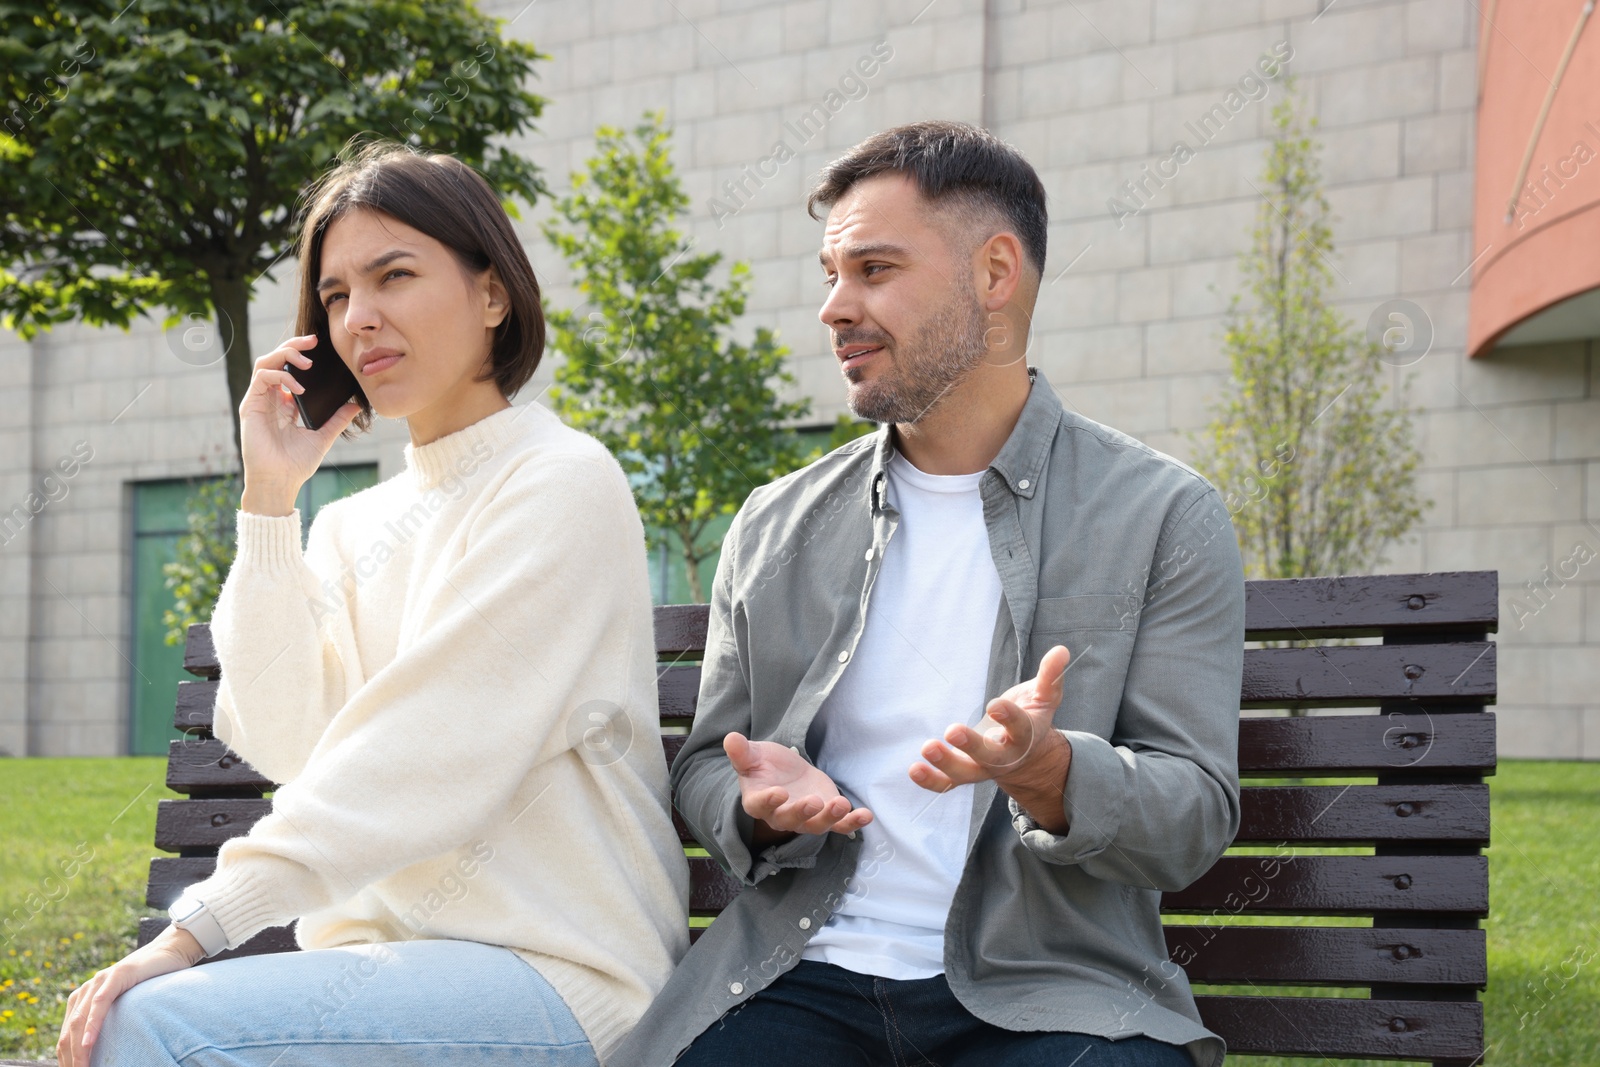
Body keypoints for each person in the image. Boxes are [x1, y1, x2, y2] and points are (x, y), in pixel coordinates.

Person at [611, 121, 1246, 1067]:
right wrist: (755, 807)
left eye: (873, 268)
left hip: (1051, 992)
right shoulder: (774, 522)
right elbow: (709, 764)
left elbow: (1194, 813)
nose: (834, 306)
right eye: (829, 273)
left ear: (995, 275)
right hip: (797, 976)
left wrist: (1052, 774)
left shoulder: (1163, 515)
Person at [57, 141, 689, 1067]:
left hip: (560, 976)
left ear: (492, 295)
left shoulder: (558, 483)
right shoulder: (354, 524)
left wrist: (195, 930)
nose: (361, 318)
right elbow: (282, 737)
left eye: (395, 275)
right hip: (383, 973)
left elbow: (426, 747)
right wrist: (270, 499)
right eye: (338, 294)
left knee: (158, 1025)